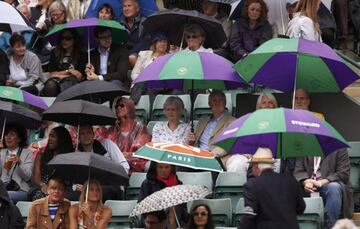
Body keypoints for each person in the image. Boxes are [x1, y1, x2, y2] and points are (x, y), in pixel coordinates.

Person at [239, 147, 306, 229]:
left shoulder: (252, 185)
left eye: (252, 166)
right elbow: (301, 208)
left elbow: (249, 215)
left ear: (256, 167)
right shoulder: (290, 181)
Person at [294, 148, 353, 229]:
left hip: (328, 184)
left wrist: (320, 183)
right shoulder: (304, 147)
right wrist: (306, 181)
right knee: (289, 187)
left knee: (333, 188)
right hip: (308, 186)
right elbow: (298, 171)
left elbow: (343, 173)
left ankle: (331, 226)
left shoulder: (339, 148)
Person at [96, 96, 150, 172]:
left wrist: (122, 155)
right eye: (116, 106)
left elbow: (142, 152)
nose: (118, 108)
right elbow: (100, 145)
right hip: (113, 163)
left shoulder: (141, 128)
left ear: (130, 107)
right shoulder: (111, 129)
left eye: (121, 105)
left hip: (134, 163)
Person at [187, 91, 237, 171]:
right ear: (209, 104)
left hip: (215, 158)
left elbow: (229, 143)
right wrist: (191, 142)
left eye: (220, 100)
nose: (217, 103)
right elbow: (194, 143)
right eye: (214, 100)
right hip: (197, 156)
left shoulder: (232, 121)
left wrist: (210, 155)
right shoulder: (202, 120)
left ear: (225, 103)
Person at [139, 162, 188, 228]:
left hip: (175, 219)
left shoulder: (178, 185)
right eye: (160, 167)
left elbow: (183, 209)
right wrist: (161, 208)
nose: (163, 170)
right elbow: (142, 206)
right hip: (153, 220)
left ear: (171, 168)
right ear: (155, 168)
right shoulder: (147, 184)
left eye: (167, 167)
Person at [30, 126, 74, 201]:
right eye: (49, 136)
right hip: (43, 188)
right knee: (40, 196)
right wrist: (43, 185)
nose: (49, 139)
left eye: (53, 136)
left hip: (61, 190)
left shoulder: (70, 158)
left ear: (61, 139)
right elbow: (36, 178)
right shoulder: (41, 155)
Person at [42, 29, 86, 96]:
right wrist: (69, 71)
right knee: (50, 85)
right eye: (62, 38)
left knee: (68, 84)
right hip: (57, 80)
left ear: (74, 39)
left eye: (67, 38)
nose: (64, 41)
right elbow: (52, 74)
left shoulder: (81, 54)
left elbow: (79, 76)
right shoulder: (54, 52)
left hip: (73, 82)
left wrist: (60, 74)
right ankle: (51, 105)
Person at [0, 123, 34, 203]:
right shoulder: (2, 152)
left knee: (6, 196)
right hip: (3, 188)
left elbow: (28, 177)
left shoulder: (27, 153)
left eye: (12, 134)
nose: (8, 137)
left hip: (21, 190)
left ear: (19, 139)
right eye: (6, 134)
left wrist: (19, 163)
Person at [119, 0, 150, 67]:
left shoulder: (145, 22)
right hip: (123, 56)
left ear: (137, 8)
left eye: (129, 6)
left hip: (140, 56)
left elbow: (145, 43)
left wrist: (129, 54)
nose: (126, 9)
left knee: (132, 58)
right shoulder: (120, 24)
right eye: (124, 6)